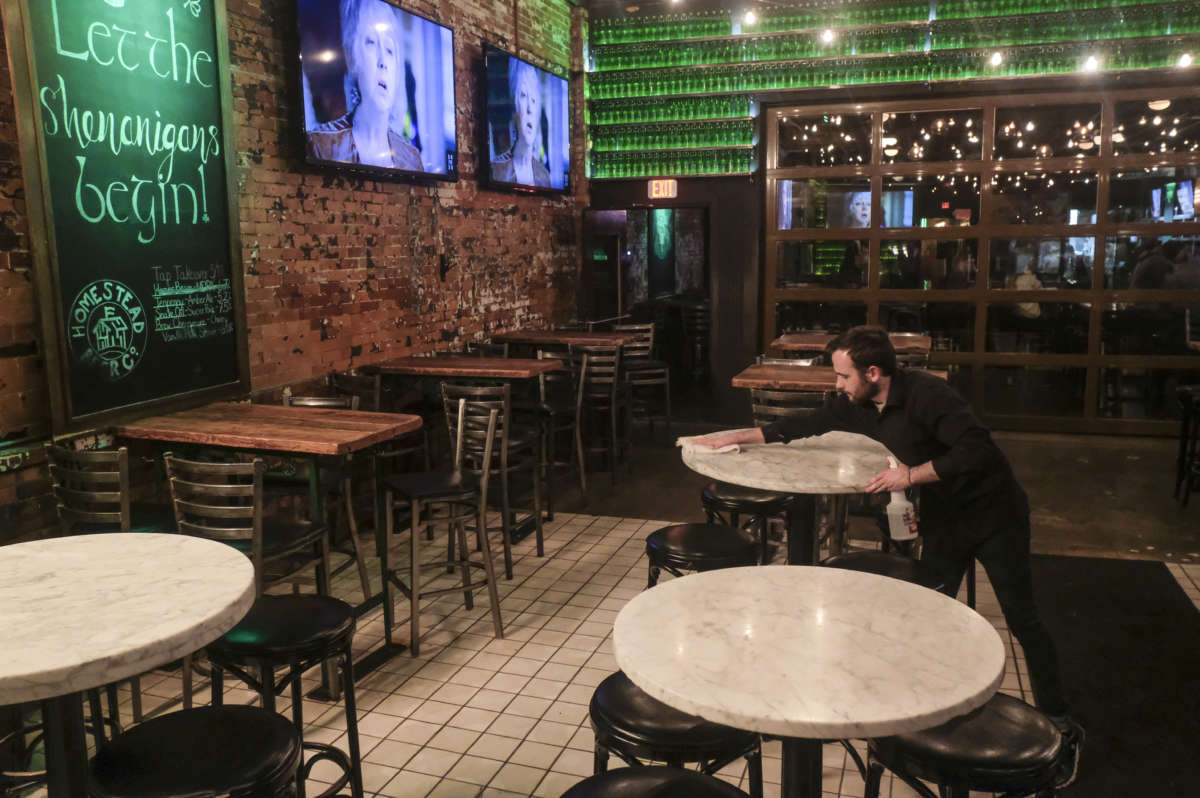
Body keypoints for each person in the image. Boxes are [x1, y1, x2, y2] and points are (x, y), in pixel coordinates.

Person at [698, 326, 1083, 785]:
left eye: (843, 376)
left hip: (993, 514)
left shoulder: (929, 395)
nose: (838, 386)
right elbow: (810, 421)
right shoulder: (860, 404)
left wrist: (910, 476)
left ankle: (1061, 725)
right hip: (945, 519)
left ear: (873, 372)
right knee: (928, 611)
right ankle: (925, 707)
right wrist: (748, 434)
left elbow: (977, 448)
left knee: (1023, 618)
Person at [308, 0, 423, 171]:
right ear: (351, 57)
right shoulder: (320, 145)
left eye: (390, 50)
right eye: (371, 43)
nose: (383, 62)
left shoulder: (412, 159)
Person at [491, 59, 551, 187]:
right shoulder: (496, 171)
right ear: (514, 109)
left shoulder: (544, 175)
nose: (530, 109)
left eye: (534, 100)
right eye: (523, 96)